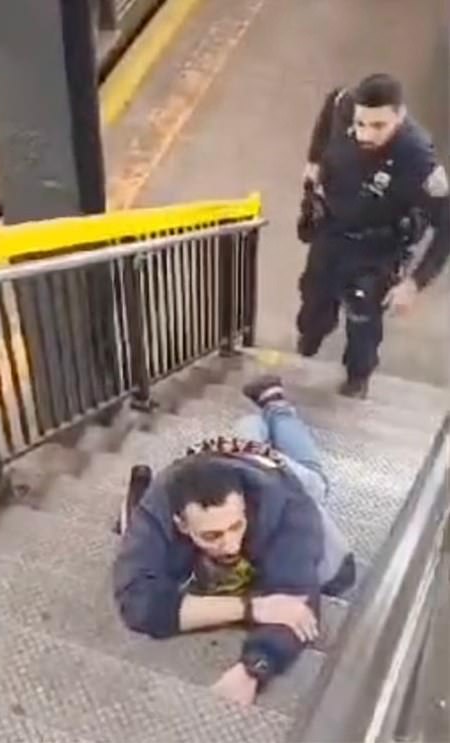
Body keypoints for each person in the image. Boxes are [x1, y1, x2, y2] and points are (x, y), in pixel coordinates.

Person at [113, 374, 355, 707]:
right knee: (246, 434)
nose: (229, 545)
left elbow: (296, 603)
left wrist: (254, 668)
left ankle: (275, 405)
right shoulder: (158, 503)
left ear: (246, 508)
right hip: (211, 458)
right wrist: (251, 607)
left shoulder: (288, 508)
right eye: (211, 535)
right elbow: (137, 602)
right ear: (180, 524)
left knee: (317, 482)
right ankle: (252, 425)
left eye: (236, 526)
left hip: (274, 472)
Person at [296, 73, 450, 398]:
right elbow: (330, 109)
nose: (366, 134)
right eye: (361, 124)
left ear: (400, 115)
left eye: (379, 126)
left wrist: (414, 283)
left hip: (376, 248)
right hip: (332, 232)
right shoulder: (345, 105)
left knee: (363, 322)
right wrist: (313, 159)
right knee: (313, 304)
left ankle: (356, 380)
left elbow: (446, 226)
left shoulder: (418, 158)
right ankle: (312, 336)